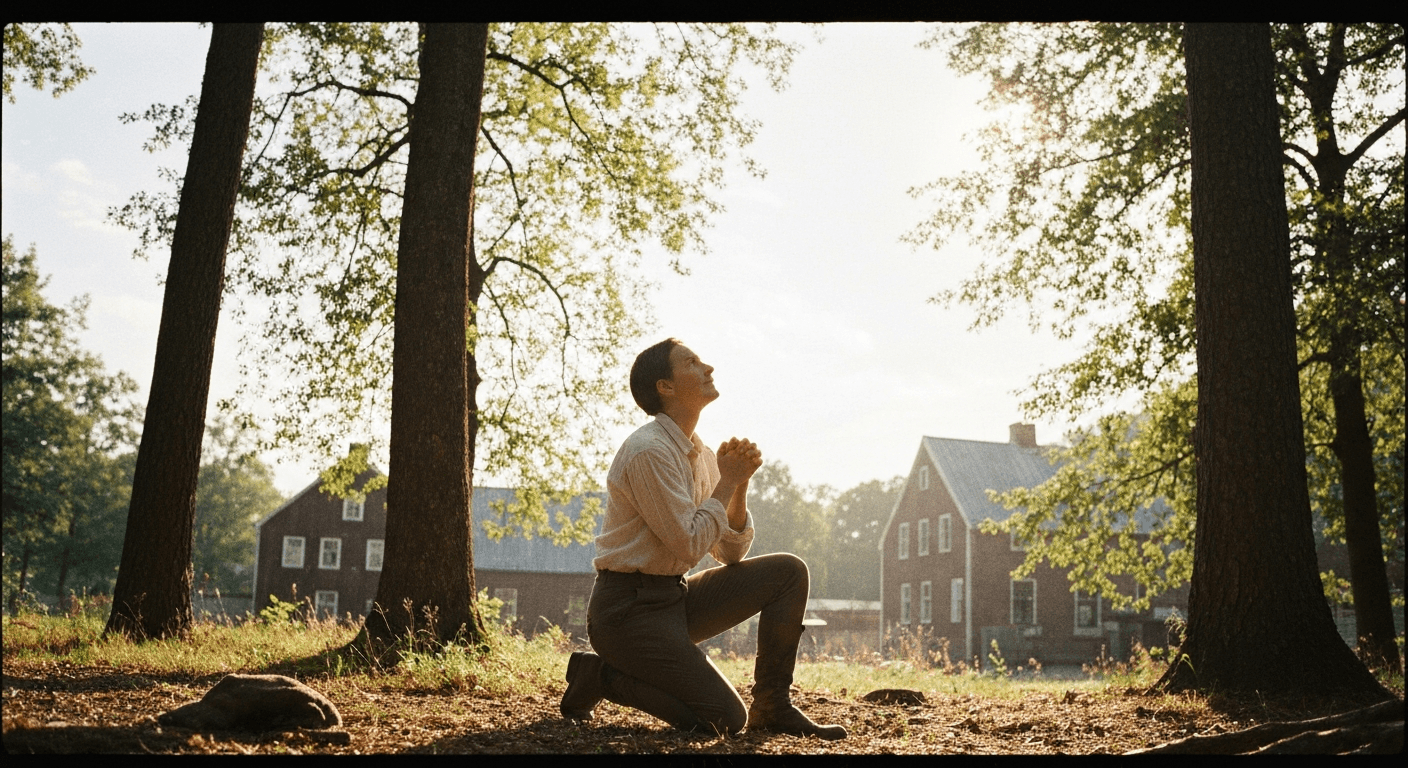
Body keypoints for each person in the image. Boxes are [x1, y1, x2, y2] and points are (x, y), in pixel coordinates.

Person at [559, 338, 846, 740]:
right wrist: (726, 481)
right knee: (724, 719)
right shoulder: (648, 452)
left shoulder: (702, 455)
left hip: (674, 599)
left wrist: (738, 485)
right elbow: (690, 545)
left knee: (788, 572)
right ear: (666, 387)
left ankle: (773, 705)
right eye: (692, 363)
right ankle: (600, 676)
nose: (708, 368)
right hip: (626, 613)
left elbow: (729, 552)